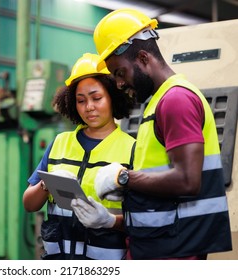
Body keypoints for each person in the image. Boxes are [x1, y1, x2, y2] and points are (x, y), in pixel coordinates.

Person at [71, 8, 232, 260]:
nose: (120, 83)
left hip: (177, 254)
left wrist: (123, 178)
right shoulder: (157, 104)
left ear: (144, 58)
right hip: (158, 248)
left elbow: (188, 181)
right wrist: (111, 220)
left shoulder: (176, 99)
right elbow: (160, 196)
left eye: (120, 73)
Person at [22, 53, 136, 260]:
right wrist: (47, 184)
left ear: (113, 97)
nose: (89, 107)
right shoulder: (60, 143)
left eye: (97, 98)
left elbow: (143, 220)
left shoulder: (132, 149)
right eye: (81, 100)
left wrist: (109, 220)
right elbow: (29, 204)